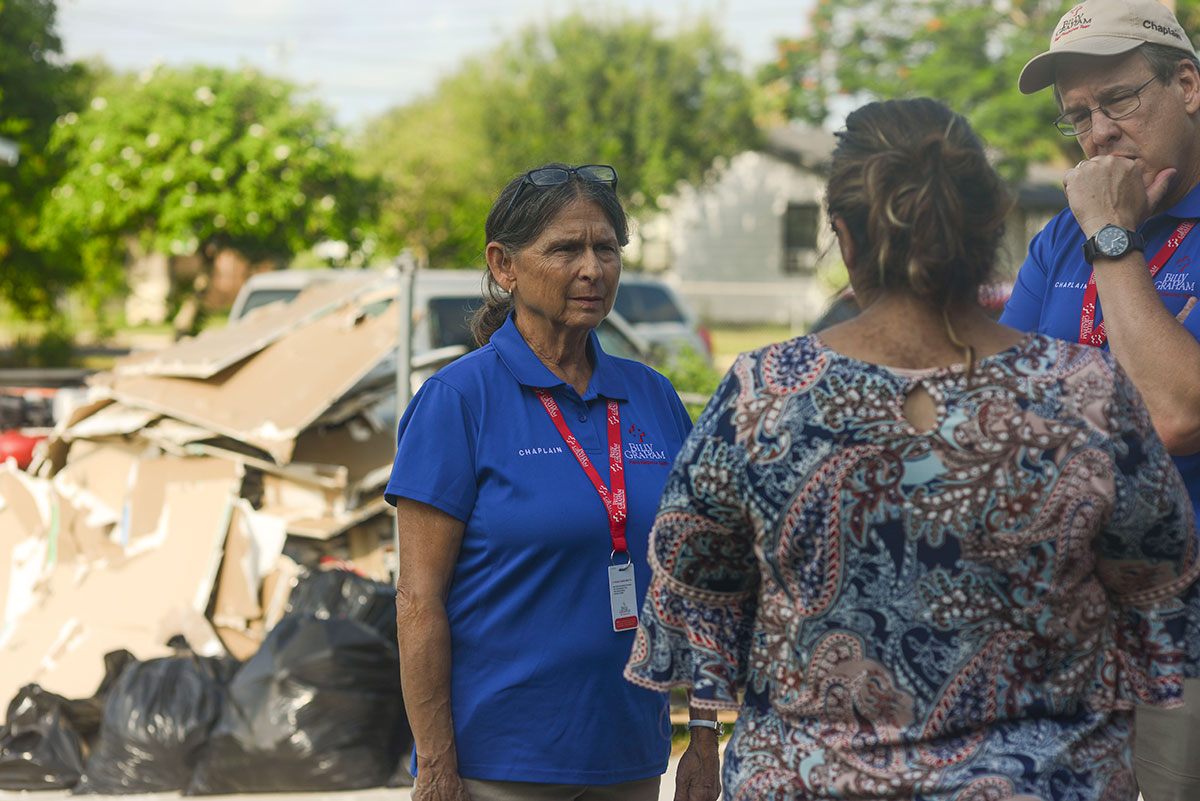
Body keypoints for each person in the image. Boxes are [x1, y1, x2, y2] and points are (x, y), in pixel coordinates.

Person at [624, 98, 1200, 800]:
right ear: (991, 224)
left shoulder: (762, 396)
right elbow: (1163, 598)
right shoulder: (1088, 393)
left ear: (843, 233)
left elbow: (693, 594)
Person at [385, 163, 720, 801]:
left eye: (606, 249)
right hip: (499, 763)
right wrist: (436, 768)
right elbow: (418, 602)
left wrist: (703, 740)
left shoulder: (652, 397)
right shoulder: (459, 400)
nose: (592, 269)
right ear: (504, 266)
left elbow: (698, 579)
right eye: (565, 249)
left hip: (631, 754)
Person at [1001, 2, 1200, 796]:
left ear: (1187, 84)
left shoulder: (1094, 228)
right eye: (1078, 116)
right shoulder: (1060, 235)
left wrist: (1114, 238)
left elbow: (1178, 414)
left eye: (1118, 99)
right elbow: (1002, 421)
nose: (1099, 133)